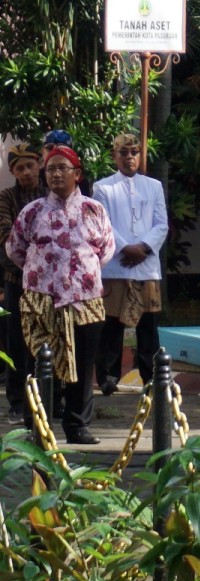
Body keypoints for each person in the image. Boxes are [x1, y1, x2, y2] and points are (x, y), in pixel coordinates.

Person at [6, 145, 114, 443]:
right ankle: (37, 426)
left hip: (86, 300)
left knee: (82, 362)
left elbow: (105, 250)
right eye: (50, 168)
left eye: (61, 168)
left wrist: (80, 272)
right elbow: (15, 249)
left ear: (76, 174)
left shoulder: (94, 210)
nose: (54, 173)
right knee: (39, 363)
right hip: (41, 299)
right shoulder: (32, 212)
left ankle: (77, 426)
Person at [91, 134, 169, 394]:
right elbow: (104, 225)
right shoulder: (103, 188)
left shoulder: (154, 185)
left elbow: (161, 224)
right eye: (124, 152)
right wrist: (127, 248)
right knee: (112, 323)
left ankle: (151, 377)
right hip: (117, 263)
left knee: (148, 325)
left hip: (146, 266)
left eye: (134, 152)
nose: (130, 157)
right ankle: (108, 377)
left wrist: (144, 248)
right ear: (114, 156)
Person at [0, 143, 42, 424]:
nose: (26, 172)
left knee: (47, 338)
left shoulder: (52, 193)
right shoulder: (6, 197)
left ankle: (47, 397)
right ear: (13, 172)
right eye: (19, 168)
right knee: (16, 339)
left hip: (48, 284)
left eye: (30, 166)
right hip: (16, 278)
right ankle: (17, 400)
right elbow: (5, 234)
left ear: (39, 164)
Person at [40, 130, 92, 197]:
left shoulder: (80, 180)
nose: (54, 152)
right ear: (42, 151)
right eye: (49, 148)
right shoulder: (36, 178)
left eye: (61, 148)